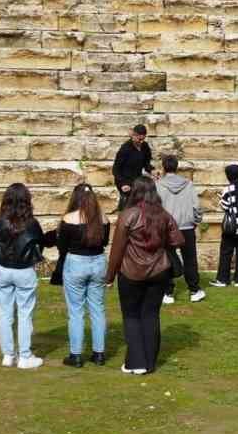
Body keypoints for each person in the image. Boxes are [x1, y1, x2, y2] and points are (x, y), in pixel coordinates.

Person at [106, 175, 182, 374]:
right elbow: (178, 240)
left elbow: (117, 250)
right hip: (159, 271)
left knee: (131, 316)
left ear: (135, 191)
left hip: (131, 272)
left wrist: (109, 276)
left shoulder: (128, 214)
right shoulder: (163, 215)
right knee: (150, 315)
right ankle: (148, 362)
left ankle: (136, 362)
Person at [0, 182, 45, 370]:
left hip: (3, 269)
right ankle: (24, 356)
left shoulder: (0, 220)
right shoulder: (31, 223)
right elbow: (41, 241)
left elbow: (1, 241)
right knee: (24, 314)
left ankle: (8, 355)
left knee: (4, 314)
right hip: (23, 270)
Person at [55, 183, 110, 367]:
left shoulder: (69, 218)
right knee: (98, 308)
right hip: (98, 262)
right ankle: (99, 353)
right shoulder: (103, 218)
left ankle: (76, 354)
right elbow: (105, 241)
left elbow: (62, 246)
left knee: (76, 311)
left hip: (76, 263)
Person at [157, 155, 206, 304]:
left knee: (167, 259)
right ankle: (194, 290)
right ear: (177, 167)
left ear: (164, 167)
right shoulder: (188, 184)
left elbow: (156, 207)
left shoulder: (158, 185)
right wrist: (196, 221)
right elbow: (197, 206)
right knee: (190, 259)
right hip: (186, 226)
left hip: (167, 227)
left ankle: (168, 292)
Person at [212, 164, 238, 288]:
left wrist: (220, 199)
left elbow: (225, 207)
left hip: (232, 227)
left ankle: (223, 279)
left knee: (226, 252)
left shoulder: (228, 189)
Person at [112, 123, 153, 198]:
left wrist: (152, 170)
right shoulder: (125, 149)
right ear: (133, 135)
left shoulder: (145, 146)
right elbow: (116, 169)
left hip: (138, 182)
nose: (141, 142)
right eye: (139, 139)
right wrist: (122, 184)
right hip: (126, 182)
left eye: (143, 139)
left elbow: (146, 163)